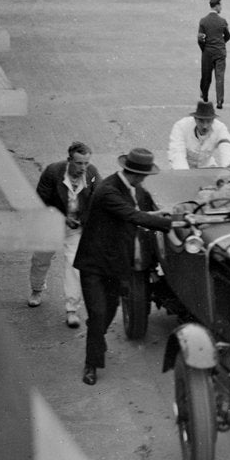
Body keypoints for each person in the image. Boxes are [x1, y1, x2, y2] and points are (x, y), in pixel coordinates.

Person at [73, 148, 173, 386]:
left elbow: (137, 212)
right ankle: (91, 364)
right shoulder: (107, 190)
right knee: (97, 314)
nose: (145, 179)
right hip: (94, 264)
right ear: (137, 174)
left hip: (116, 262)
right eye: (145, 175)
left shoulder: (131, 188)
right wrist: (173, 223)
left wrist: (158, 213)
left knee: (109, 309)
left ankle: (97, 338)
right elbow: (132, 216)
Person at [27, 142, 102, 329]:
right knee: (40, 259)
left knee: (74, 266)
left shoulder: (92, 174)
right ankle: (36, 289)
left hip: (76, 229)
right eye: (79, 164)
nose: (83, 168)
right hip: (51, 225)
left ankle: (71, 309)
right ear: (69, 161)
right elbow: (40, 202)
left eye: (86, 163)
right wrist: (61, 219)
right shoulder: (53, 172)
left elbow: (99, 200)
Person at [168, 101, 230, 170]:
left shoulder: (220, 128)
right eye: (201, 121)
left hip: (207, 167)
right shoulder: (181, 126)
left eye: (208, 121)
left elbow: (226, 150)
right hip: (184, 167)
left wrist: (229, 171)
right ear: (195, 119)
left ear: (213, 120)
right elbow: (177, 153)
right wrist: (184, 176)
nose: (205, 126)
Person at [198, 0, 230, 108]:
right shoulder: (222, 21)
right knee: (219, 76)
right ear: (216, 6)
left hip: (207, 52)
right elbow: (228, 36)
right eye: (220, 5)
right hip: (220, 52)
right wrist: (221, 43)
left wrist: (204, 48)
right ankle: (220, 101)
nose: (221, 7)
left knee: (206, 75)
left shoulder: (203, 21)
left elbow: (200, 38)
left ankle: (205, 95)